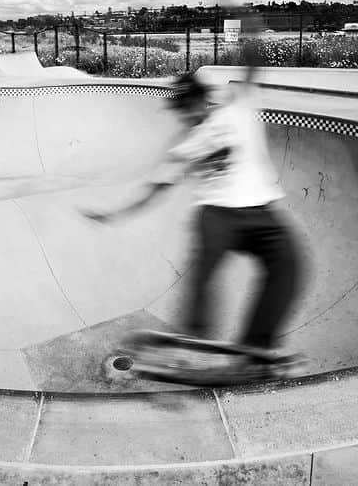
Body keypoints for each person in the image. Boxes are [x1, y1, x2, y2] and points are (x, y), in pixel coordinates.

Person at [83, 52, 303, 362]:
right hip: (216, 214)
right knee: (204, 270)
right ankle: (197, 338)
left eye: (187, 108)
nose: (185, 117)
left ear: (201, 100)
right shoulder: (185, 145)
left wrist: (248, 20)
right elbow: (156, 190)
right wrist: (115, 213)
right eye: (180, 112)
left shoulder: (237, 108)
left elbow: (254, 67)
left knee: (290, 267)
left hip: (263, 211)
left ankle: (257, 344)